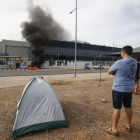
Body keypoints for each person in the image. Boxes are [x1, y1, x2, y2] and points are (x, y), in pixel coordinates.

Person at [106, 45, 137, 137]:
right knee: (128, 107)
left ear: (123, 52)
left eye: (121, 52)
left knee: (116, 108)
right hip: (128, 89)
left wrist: (114, 72)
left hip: (119, 89)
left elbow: (109, 71)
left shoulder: (120, 62)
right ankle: (128, 125)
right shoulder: (134, 62)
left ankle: (114, 129)